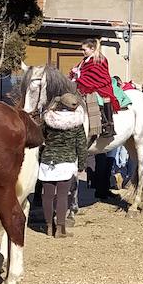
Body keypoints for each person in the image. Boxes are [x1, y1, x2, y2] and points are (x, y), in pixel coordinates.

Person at [39, 92, 86, 236]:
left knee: (47, 195)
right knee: (62, 195)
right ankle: (60, 228)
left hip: (48, 161)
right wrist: (81, 164)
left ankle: (48, 226)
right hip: (66, 161)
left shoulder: (48, 120)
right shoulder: (77, 124)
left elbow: (41, 139)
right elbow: (81, 145)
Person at [72, 39, 124, 138]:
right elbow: (82, 72)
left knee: (99, 98)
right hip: (84, 84)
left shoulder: (100, 59)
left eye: (84, 50)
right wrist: (75, 74)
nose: (82, 52)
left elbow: (98, 76)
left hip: (100, 86)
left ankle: (107, 124)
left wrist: (81, 79)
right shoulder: (84, 60)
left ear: (92, 49)